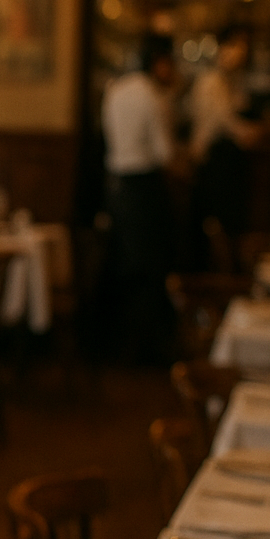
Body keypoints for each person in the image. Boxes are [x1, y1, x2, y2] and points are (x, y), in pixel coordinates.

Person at [101, 34, 179, 361]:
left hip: (116, 187)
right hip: (145, 188)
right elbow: (165, 153)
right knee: (149, 267)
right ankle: (145, 351)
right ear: (158, 63)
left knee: (123, 264)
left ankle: (119, 346)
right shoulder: (153, 95)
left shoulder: (115, 89)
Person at [188, 24, 261, 264]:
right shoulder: (212, 81)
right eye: (237, 45)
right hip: (215, 161)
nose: (241, 52)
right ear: (223, 47)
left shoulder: (231, 82)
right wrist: (249, 133)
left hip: (224, 161)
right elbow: (225, 123)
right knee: (219, 227)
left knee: (228, 226)